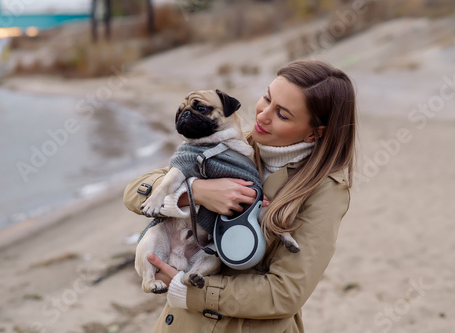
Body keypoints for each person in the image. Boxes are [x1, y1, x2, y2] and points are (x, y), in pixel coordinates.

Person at [123, 60, 356, 332]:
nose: (262, 115)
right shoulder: (233, 146)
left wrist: (187, 291)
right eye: (266, 98)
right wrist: (196, 192)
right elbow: (134, 192)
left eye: (282, 114)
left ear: (315, 132)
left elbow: (285, 294)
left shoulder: (324, 191)